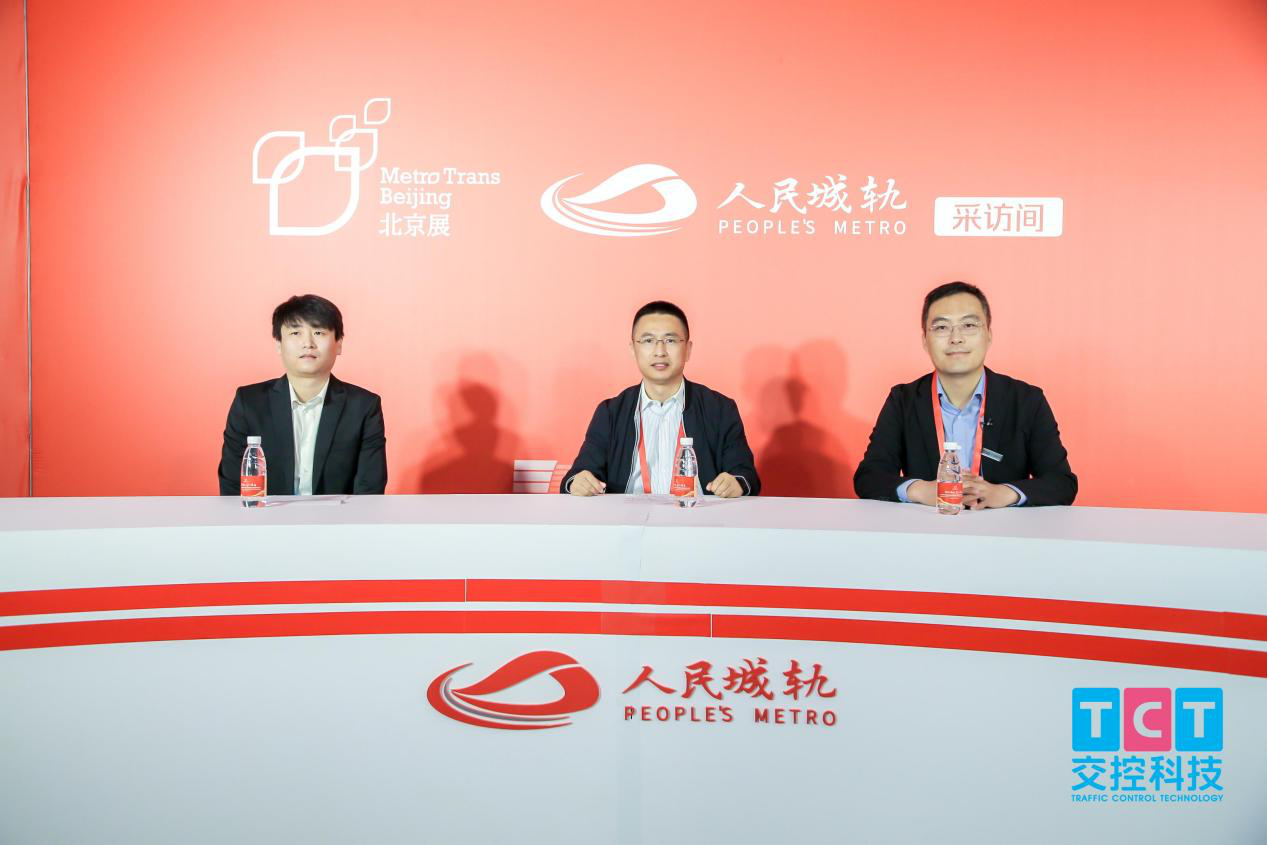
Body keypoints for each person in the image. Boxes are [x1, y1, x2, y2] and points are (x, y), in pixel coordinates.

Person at [853, 281, 1076, 507]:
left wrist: (1004, 494)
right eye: (942, 327)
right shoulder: (903, 400)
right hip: (927, 525)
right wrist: (920, 490)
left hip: (1003, 527)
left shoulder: (1027, 400)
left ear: (989, 335)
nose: (956, 338)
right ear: (925, 341)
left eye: (969, 325)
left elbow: (1062, 482)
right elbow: (869, 477)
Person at [563, 300, 760, 497]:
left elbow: (745, 475)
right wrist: (579, 482)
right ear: (633, 349)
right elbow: (578, 475)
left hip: (698, 513)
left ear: (688, 349)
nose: (660, 351)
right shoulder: (611, 412)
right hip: (628, 514)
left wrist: (736, 483)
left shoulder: (719, 409)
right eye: (648, 341)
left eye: (670, 340)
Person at [218, 294, 387, 496]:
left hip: (339, 516)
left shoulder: (363, 407)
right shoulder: (249, 403)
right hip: (266, 516)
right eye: (296, 333)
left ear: (339, 343)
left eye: (318, 332)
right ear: (279, 344)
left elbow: (369, 491)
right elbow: (232, 487)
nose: (308, 343)